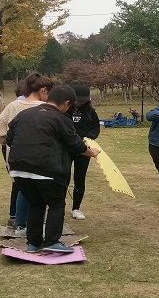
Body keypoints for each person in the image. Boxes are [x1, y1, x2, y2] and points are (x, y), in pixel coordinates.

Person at [7, 85, 101, 253]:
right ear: (66, 103)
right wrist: (91, 152)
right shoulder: (61, 118)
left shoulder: (24, 114)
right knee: (56, 203)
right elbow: (75, 144)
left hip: (18, 168)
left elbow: (9, 139)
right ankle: (51, 241)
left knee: (36, 203)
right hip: (46, 168)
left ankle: (33, 243)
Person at [0, 73, 54, 234]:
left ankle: (20, 225)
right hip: (41, 155)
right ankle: (37, 225)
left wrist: (8, 141)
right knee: (41, 190)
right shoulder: (46, 108)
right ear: (43, 90)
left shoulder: (13, 106)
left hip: (16, 154)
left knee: (22, 188)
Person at [66, 85, 100, 220]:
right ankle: (59, 206)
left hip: (84, 150)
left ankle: (76, 208)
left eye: (83, 100)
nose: (80, 102)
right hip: (66, 149)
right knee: (64, 177)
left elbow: (95, 129)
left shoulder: (90, 112)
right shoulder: (64, 110)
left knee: (80, 179)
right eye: (78, 100)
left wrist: (87, 138)